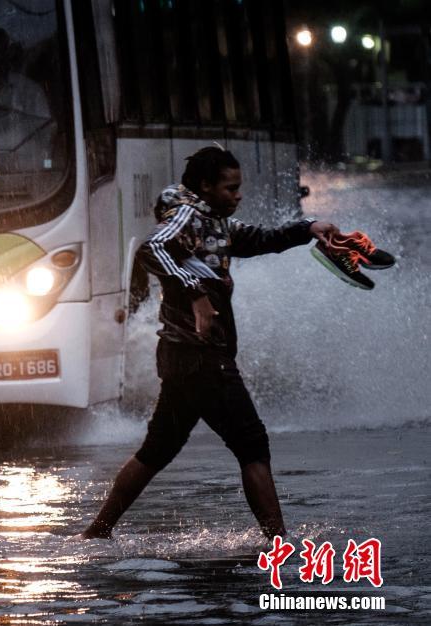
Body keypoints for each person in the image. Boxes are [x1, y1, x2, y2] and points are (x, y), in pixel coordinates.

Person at [81, 146, 339, 540]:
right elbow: (151, 248)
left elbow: (256, 239)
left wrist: (308, 228)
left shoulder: (212, 221)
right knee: (252, 444)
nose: (238, 196)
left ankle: (97, 532)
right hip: (202, 358)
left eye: (239, 189)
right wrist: (196, 293)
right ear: (205, 186)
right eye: (230, 188)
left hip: (182, 357)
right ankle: (278, 544)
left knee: (157, 450)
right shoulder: (188, 214)